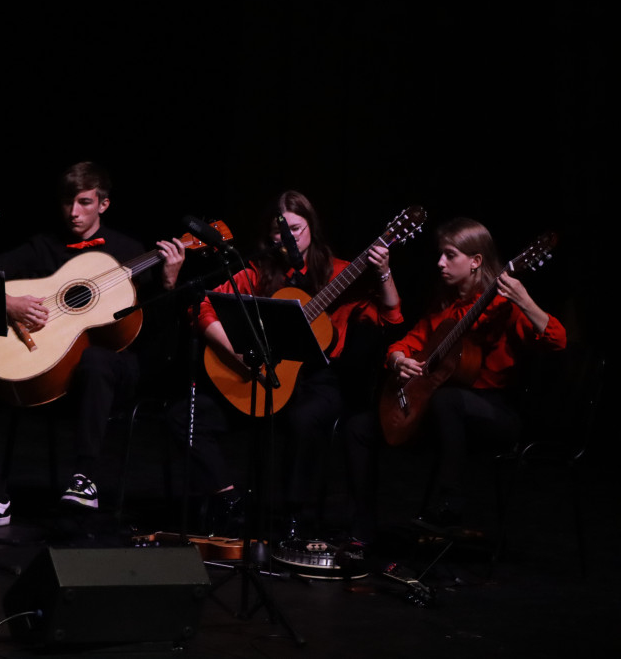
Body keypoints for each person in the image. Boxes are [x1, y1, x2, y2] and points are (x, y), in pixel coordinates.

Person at [0, 161, 185, 529]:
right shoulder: (43, 246)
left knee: (95, 360)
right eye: (67, 202)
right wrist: (9, 304)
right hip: (49, 367)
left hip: (110, 372)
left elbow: (159, 333)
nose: (74, 212)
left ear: (103, 204)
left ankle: (84, 478)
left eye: (85, 202)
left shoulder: (129, 251)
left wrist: (169, 284)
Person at [166, 190, 404, 538]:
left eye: (295, 227)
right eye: (279, 230)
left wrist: (383, 273)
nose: (287, 236)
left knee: (303, 419)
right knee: (183, 415)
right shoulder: (257, 271)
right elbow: (201, 307)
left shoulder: (339, 273)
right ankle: (227, 498)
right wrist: (233, 351)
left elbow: (391, 318)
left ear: (312, 227)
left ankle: (294, 515)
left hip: (315, 378)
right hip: (258, 375)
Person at [346, 217, 566, 538]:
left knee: (448, 400)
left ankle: (449, 506)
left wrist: (524, 299)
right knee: (358, 427)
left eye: (450, 255)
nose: (440, 263)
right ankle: (360, 530)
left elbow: (557, 340)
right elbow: (407, 342)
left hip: (494, 414)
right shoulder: (445, 305)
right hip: (442, 414)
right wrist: (397, 360)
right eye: (441, 254)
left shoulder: (504, 305)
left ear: (476, 261)